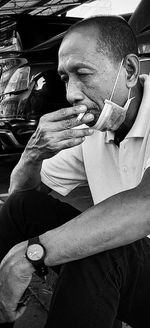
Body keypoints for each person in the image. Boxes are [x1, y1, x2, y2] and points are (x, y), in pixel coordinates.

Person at [1, 15, 150, 328]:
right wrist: (34, 153)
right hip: (132, 270)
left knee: (100, 247)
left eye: (83, 73)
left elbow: (145, 204)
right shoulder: (94, 133)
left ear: (130, 71)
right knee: (21, 207)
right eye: (65, 78)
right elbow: (19, 195)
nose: (71, 94)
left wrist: (33, 254)